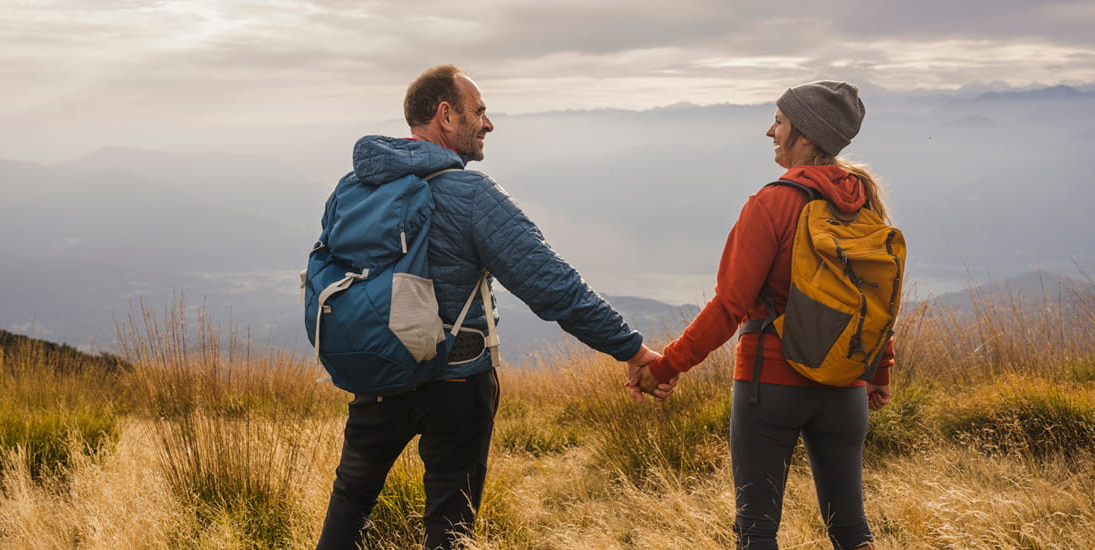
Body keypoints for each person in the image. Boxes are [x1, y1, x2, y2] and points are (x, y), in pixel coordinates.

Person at [315, 65, 662, 550]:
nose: (488, 123)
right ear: (445, 115)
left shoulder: (353, 188)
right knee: (450, 522)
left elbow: (327, 267)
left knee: (351, 500)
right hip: (455, 383)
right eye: (479, 111)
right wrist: (631, 349)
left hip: (375, 374)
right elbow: (554, 286)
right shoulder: (471, 194)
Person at [634, 81, 894, 550]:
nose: (769, 132)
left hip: (769, 386)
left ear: (807, 136)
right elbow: (876, 298)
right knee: (852, 529)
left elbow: (729, 307)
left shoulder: (771, 204)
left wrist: (665, 367)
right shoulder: (864, 204)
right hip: (845, 387)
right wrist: (879, 370)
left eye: (778, 122)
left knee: (756, 530)